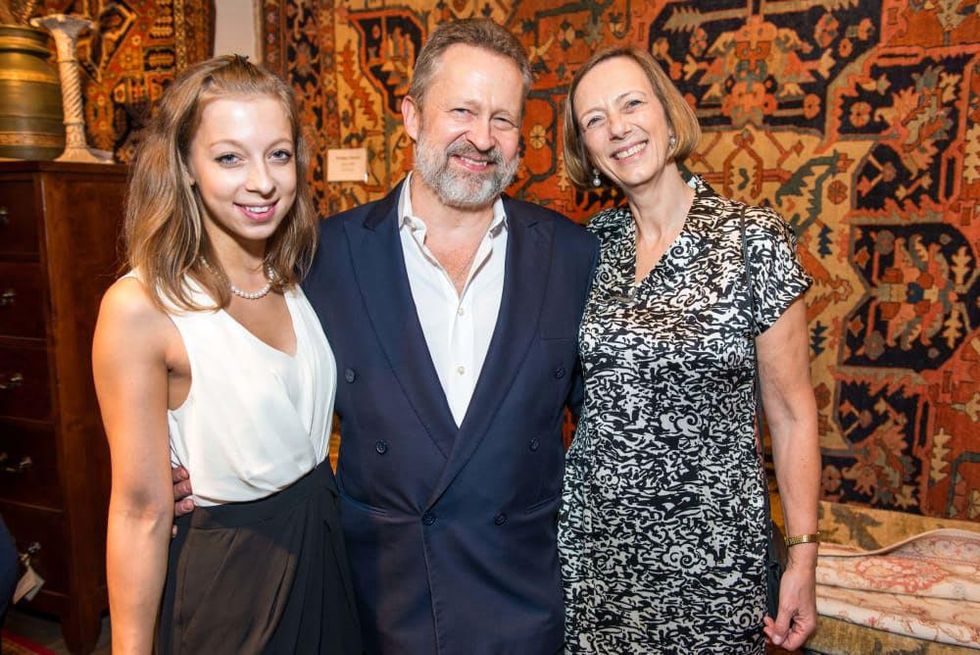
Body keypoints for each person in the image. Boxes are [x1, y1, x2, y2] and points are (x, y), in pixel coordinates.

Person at [176, 18, 598, 654]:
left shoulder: (571, 254)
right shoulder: (323, 255)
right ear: (412, 116)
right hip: (380, 597)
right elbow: (252, 365)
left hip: (524, 598)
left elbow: (610, 420)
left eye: (503, 119)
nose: (482, 138)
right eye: (461, 111)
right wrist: (177, 448)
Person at [92, 55, 361, 654]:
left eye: (278, 154)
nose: (262, 181)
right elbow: (139, 511)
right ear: (186, 166)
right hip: (232, 584)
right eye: (229, 157)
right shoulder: (142, 306)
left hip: (323, 551)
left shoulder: (296, 275)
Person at [558, 46, 821, 653]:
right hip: (594, 554)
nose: (617, 127)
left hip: (713, 561)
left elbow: (792, 413)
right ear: (587, 150)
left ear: (668, 113)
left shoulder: (753, 240)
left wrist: (803, 558)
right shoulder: (588, 248)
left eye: (631, 104)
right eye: (595, 119)